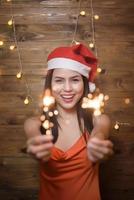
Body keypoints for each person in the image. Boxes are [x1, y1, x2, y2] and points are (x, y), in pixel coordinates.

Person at [24, 43, 114, 200]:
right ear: (50, 85)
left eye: (74, 80)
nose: (67, 88)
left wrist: (97, 143)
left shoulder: (99, 120)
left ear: (85, 83)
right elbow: (33, 135)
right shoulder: (35, 123)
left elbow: (100, 132)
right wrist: (35, 143)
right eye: (59, 80)